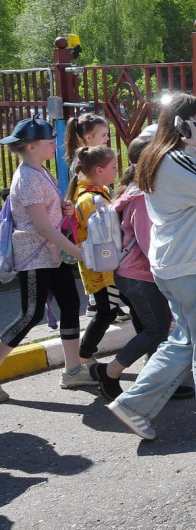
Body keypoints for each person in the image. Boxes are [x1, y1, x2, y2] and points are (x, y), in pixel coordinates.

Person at [109, 93, 196, 441]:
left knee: (186, 340)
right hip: (191, 265)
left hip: (173, 264)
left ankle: (133, 405)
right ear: (183, 124)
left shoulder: (156, 157)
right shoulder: (175, 160)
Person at [94, 137, 194, 402]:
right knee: (157, 329)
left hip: (135, 274)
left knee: (154, 328)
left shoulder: (136, 189)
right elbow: (150, 243)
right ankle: (110, 371)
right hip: (139, 275)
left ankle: (160, 382)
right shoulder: (141, 197)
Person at [0, 119, 87, 403]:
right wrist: (78, 253)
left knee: (71, 304)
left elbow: (48, 217)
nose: (55, 145)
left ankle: (73, 369)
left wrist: (64, 208)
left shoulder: (39, 171)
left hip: (51, 253)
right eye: (51, 142)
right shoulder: (27, 178)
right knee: (30, 314)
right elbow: (42, 228)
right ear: (32, 146)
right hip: (35, 256)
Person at [68, 146, 131, 375]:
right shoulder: (90, 199)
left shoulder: (95, 192)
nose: (116, 171)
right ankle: (84, 356)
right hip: (102, 268)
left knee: (110, 310)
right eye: (113, 167)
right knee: (107, 311)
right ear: (98, 169)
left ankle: (84, 354)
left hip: (103, 266)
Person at [64, 112, 111, 313]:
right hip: (88, 216)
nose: (107, 139)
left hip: (91, 214)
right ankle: (97, 302)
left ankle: (103, 302)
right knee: (96, 256)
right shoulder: (84, 160)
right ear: (89, 138)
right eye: (103, 135)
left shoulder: (85, 156)